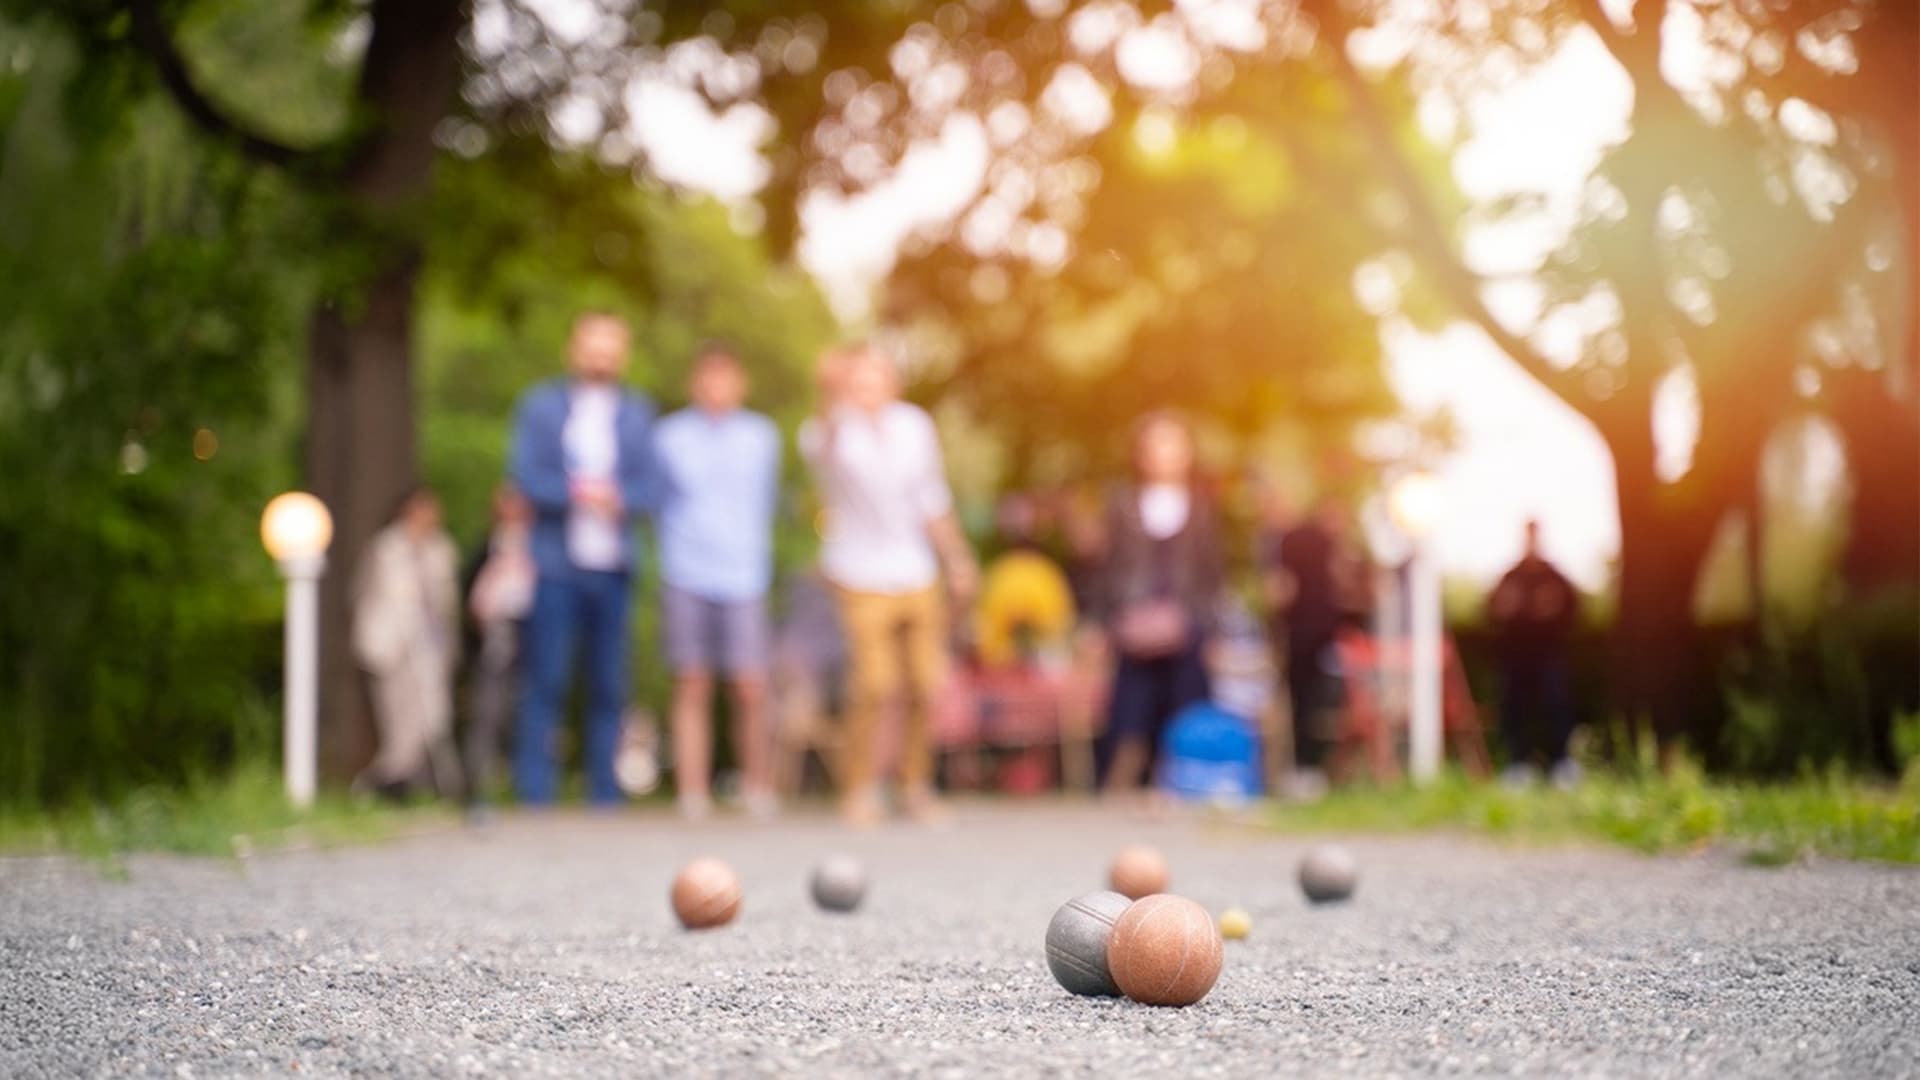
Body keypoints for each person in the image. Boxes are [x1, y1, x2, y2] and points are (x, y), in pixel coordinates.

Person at [799, 341, 978, 826]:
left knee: (924, 681)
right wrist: (831, 392)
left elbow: (931, 499)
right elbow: (825, 445)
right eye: (856, 382)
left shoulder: (914, 426)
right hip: (858, 573)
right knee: (874, 684)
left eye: (874, 379)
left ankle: (913, 786)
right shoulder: (829, 429)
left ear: (891, 382)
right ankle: (858, 788)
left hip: (915, 571)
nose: (867, 390)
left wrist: (957, 559)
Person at [507, 311, 659, 806]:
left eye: (610, 347)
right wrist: (578, 493)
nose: (601, 356)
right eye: (593, 346)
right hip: (555, 563)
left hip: (613, 567)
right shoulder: (541, 406)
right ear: (574, 349)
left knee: (609, 683)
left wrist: (621, 498)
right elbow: (526, 478)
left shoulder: (638, 412)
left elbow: (653, 487)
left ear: (623, 354)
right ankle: (536, 792)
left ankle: (603, 792)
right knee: (545, 678)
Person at [652, 344, 782, 820]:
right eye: (707, 379)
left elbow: (765, 502)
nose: (715, 388)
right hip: (685, 570)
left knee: (750, 685)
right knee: (692, 682)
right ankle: (692, 792)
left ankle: (757, 787)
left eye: (725, 379)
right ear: (694, 384)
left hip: (744, 574)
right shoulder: (668, 437)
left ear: (739, 384)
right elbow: (658, 502)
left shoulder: (761, 437)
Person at [1095, 412, 1223, 795]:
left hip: (1188, 624)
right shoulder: (1121, 503)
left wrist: (1211, 626)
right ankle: (1119, 785)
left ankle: (1180, 786)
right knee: (1129, 708)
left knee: (1186, 705)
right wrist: (1108, 620)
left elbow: (1212, 571)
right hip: (1134, 623)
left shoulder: (1202, 506)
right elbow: (1108, 566)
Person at [352, 485, 461, 799]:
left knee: (431, 718)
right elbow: (367, 593)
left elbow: (445, 605)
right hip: (392, 647)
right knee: (399, 721)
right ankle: (381, 783)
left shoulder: (441, 549)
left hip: (429, 649)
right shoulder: (387, 547)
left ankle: (401, 784)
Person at [1265, 498, 1354, 789]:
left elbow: (1280, 589)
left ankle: (1303, 768)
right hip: (1319, 636)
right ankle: (1313, 768)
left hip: (1303, 636)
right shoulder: (1323, 546)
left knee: (1303, 703)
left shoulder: (1288, 542)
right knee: (1319, 705)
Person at [1488, 519, 1581, 788]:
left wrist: (1553, 609)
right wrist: (1504, 608)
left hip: (1549, 655)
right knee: (1514, 709)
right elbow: (1490, 609)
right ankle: (1518, 764)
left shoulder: (1554, 576)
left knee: (1556, 706)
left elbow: (1575, 609)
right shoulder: (1511, 576)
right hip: (1516, 657)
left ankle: (1561, 764)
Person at [461, 484, 536, 813]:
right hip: (492, 645)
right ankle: (477, 789)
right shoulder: (485, 550)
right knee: (487, 715)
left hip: (532, 642)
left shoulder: (543, 551)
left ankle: (531, 790)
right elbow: (468, 599)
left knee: (527, 716)